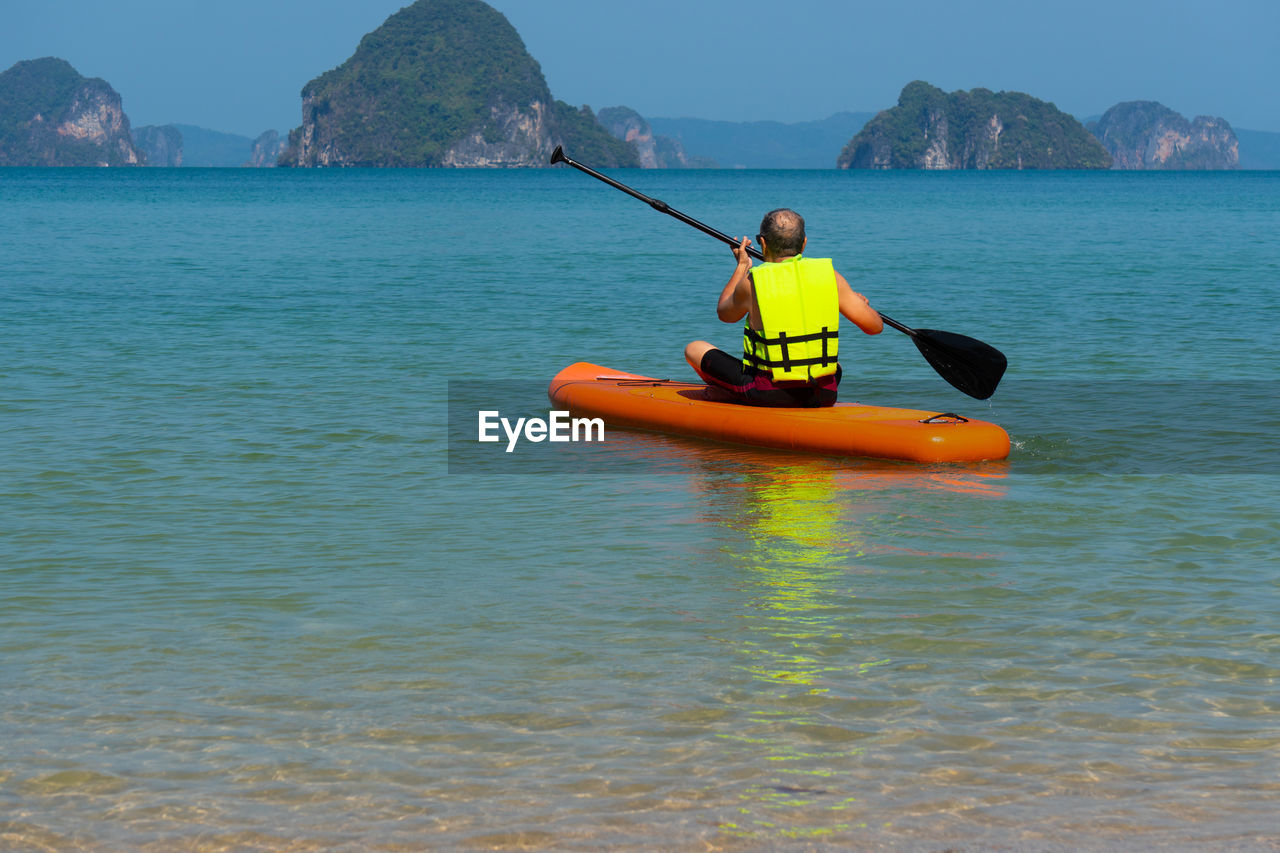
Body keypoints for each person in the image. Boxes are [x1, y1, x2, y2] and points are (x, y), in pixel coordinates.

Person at [684, 208, 883, 407]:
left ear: (762, 243)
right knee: (834, 366)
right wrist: (859, 303)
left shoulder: (752, 282)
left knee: (694, 349)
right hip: (824, 392)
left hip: (768, 394)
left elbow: (725, 313)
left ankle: (731, 393)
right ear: (804, 242)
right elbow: (875, 327)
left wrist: (742, 266)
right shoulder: (831, 276)